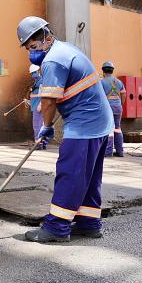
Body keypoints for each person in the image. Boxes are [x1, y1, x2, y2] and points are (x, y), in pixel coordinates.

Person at [16, 16, 114, 243]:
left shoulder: (53, 61)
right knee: (88, 175)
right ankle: (89, 223)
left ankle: (57, 227)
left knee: (70, 173)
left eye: (33, 46)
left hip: (85, 123)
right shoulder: (66, 49)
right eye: (28, 48)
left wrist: (46, 127)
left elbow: (49, 102)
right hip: (99, 121)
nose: (32, 52)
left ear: (46, 37)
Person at [99, 61, 126, 157]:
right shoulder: (119, 82)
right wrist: (120, 104)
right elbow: (123, 94)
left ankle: (108, 152)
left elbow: (99, 96)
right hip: (118, 107)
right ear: (112, 71)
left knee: (108, 129)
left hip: (107, 108)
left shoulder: (101, 82)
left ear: (103, 71)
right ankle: (120, 151)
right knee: (117, 128)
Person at [29, 64, 47, 150]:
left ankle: (38, 144)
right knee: (38, 125)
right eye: (31, 73)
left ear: (38, 71)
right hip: (35, 106)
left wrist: (41, 104)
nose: (32, 75)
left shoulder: (41, 81)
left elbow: (44, 94)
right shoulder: (37, 81)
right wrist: (29, 101)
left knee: (37, 126)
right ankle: (41, 144)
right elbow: (35, 95)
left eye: (33, 73)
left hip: (38, 107)